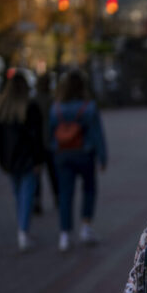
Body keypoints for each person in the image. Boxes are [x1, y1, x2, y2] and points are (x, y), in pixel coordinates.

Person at [0, 73, 45, 252]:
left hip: (9, 160)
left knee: (19, 195)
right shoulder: (30, 107)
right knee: (25, 196)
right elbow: (37, 137)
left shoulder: (3, 108)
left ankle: (22, 229)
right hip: (27, 159)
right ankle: (23, 232)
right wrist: (39, 159)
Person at [49, 70, 107, 252]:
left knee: (65, 194)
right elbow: (97, 134)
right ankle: (86, 227)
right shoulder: (89, 106)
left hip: (63, 155)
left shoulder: (56, 107)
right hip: (84, 153)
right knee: (89, 189)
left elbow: (51, 133)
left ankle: (65, 234)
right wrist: (102, 157)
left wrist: (54, 151)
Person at [32, 73, 59, 214]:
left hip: (37, 142)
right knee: (53, 173)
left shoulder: (34, 100)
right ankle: (57, 198)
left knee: (37, 173)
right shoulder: (52, 100)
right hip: (50, 141)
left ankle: (37, 200)